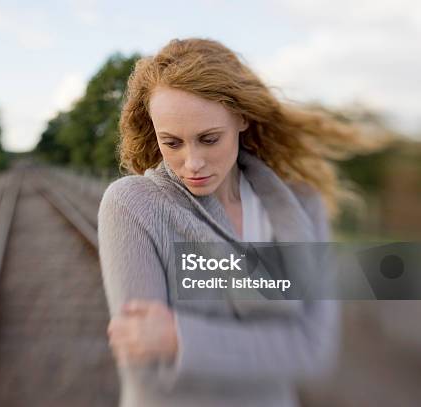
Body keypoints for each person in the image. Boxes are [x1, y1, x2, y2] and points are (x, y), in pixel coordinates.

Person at [97, 38, 385, 407]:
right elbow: (145, 362)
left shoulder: (304, 206)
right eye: (172, 143)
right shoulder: (132, 205)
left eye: (209, 139)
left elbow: (313, 350)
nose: (192, 162)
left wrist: (181, 338)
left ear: (242, 117)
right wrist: (269, 340)